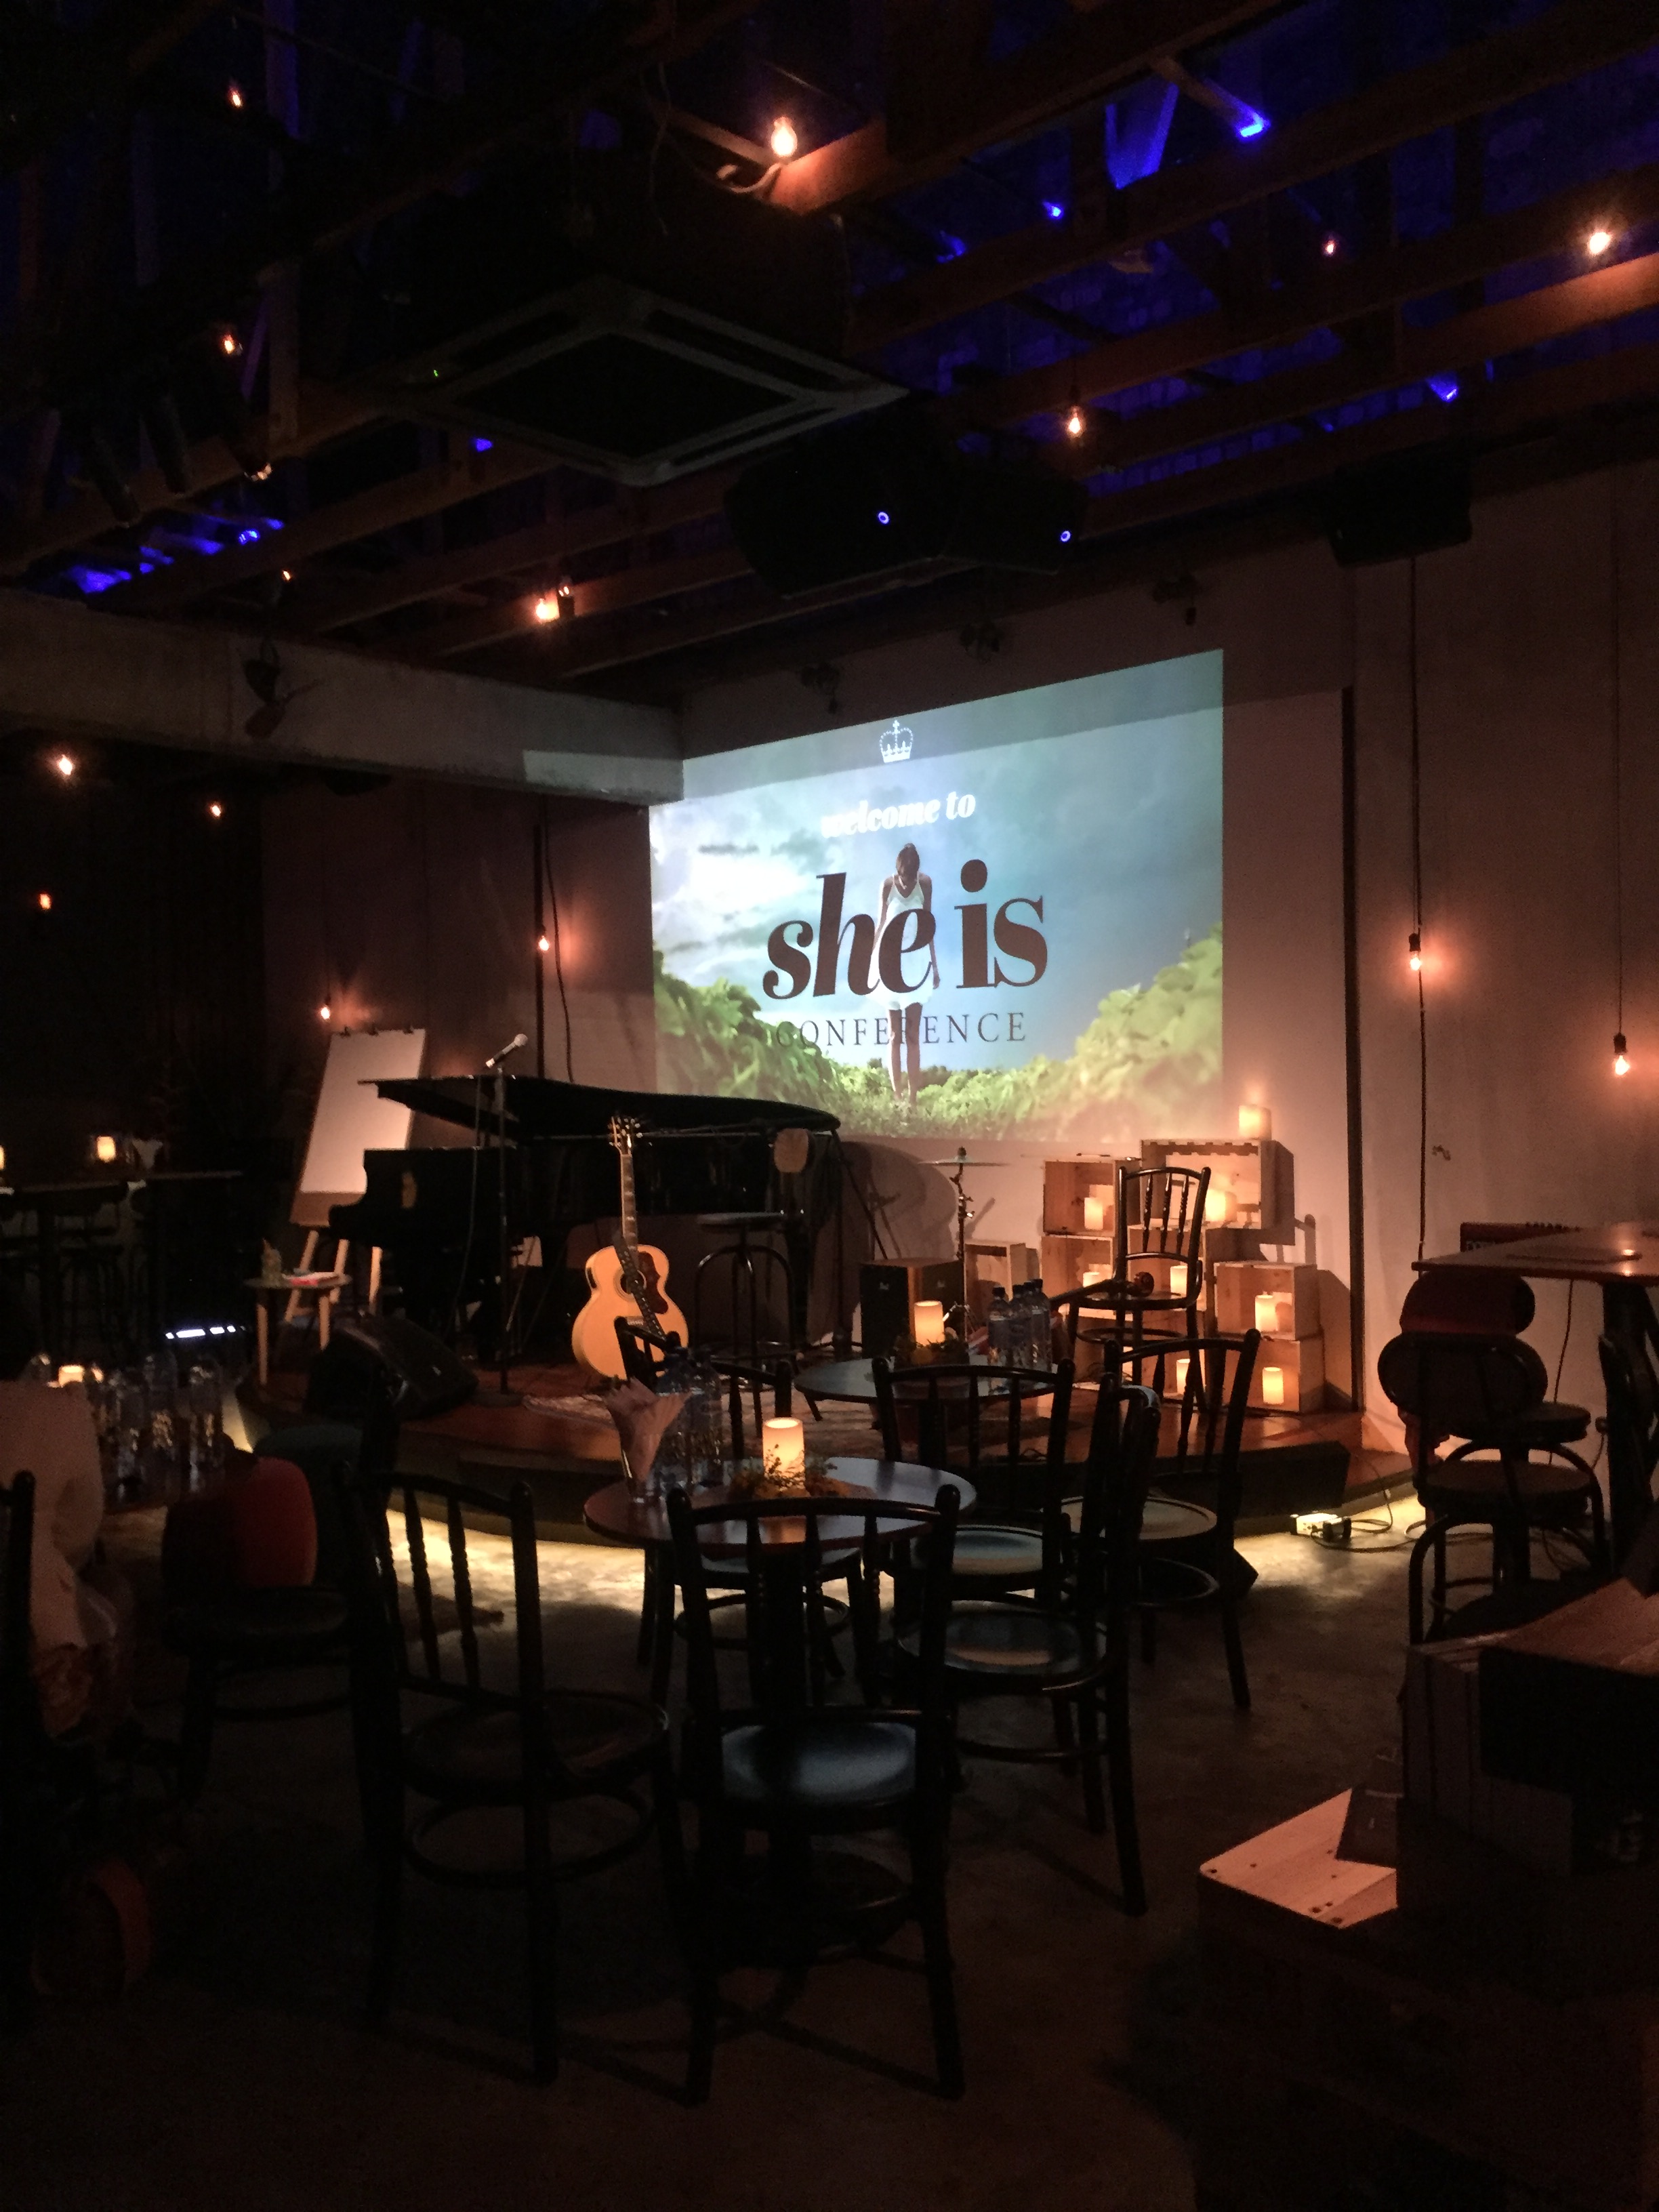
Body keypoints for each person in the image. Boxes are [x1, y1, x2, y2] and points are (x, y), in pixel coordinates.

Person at [0, 1285, 127, 1736]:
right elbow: (81, 1530)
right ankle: (105, 1738)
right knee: (112, 1589)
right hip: (33, 1656)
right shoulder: (58, 1411)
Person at [876, 840, 940, 1107]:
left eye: (910, 876)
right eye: (903, 875)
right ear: (898, 870)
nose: (906, 880)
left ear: (916, 872)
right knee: (894, 1034)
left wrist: (935, 966)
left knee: (913, 1034)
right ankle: (897, 1096)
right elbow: (881, 924)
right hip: (890, 963)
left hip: (916, 964)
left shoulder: (925, 884)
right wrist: (870, 965)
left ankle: (913, 1100)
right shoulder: (887, 885)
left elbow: (928, 926)